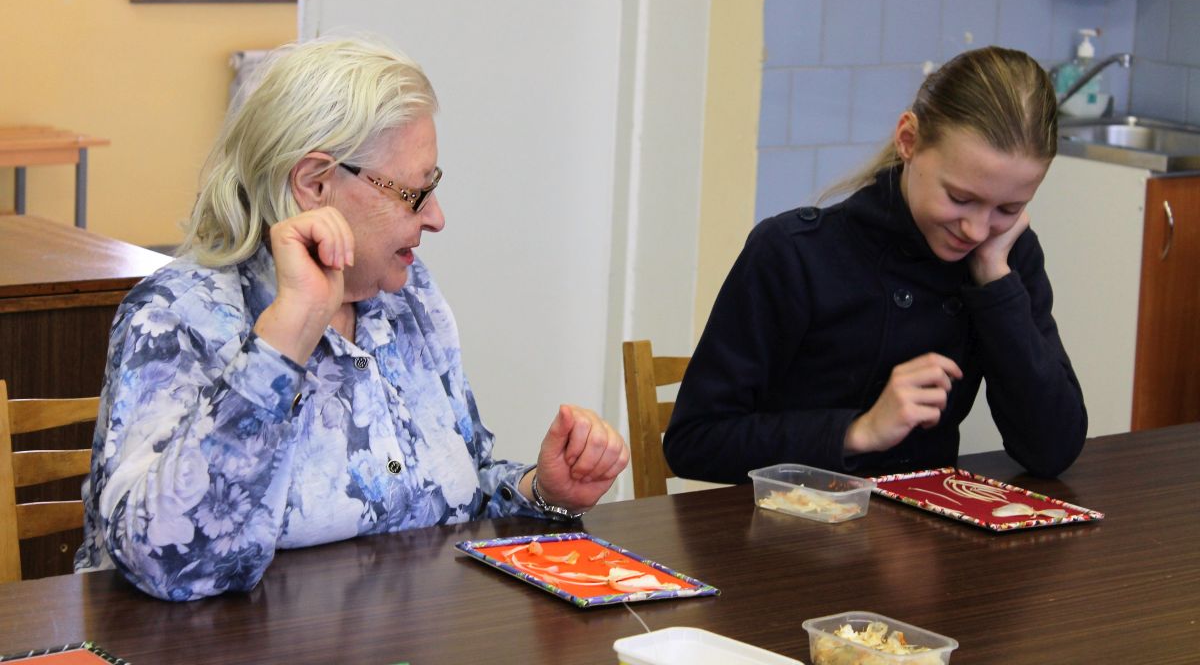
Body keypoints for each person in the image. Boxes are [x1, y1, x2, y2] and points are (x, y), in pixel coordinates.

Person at [75, 36, 629, 601]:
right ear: (315, 184)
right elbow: (171, 567)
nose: (436, 217)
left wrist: (542, 492)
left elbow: (456, 492)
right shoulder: (174, 317)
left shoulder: (407, 297)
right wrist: (289, 332)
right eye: (414, 193)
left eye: (433, 188)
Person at [663, 46, 1086, 484]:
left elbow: (1052, 449)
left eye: (1009, 208)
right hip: (790, 522)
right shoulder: (794, 252)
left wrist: (995, 282)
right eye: (960, 198)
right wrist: (857, 432)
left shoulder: (1004, 258)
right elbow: (694, 442)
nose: (977, 230)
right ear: (909, 140)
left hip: (928, 521)